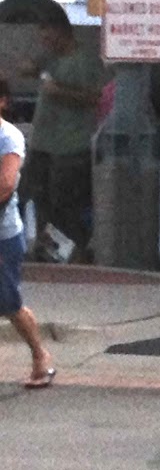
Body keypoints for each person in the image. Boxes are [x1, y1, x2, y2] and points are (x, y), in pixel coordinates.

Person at [23, 15, 106, 261]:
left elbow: (95, 98)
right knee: (40, 198)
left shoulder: (85, 61)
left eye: (48, 33)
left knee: (65, 203)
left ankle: (72, 254)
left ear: (63, 32)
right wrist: (32, 65)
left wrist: (60, 92)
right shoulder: (50, 58)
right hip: (42, 143)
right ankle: (48, 251)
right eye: (41, 33)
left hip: (71, 145)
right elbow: (27, 68)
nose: (43, 39)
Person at [0, 76, 54, 388]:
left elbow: (6, 183)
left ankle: (39, 354)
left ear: (3, 101)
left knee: (7, 302)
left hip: (4, 235)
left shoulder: (9, 137)